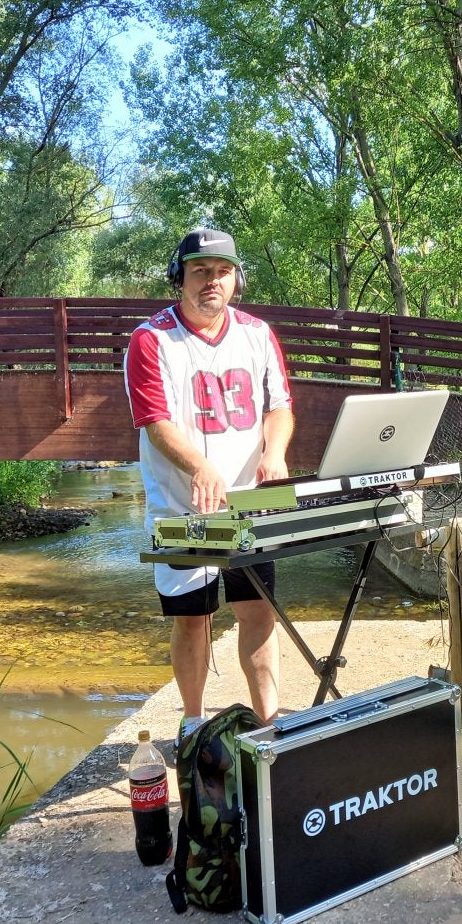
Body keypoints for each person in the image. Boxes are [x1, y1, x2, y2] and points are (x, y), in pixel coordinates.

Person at [124, 227, 294, 737]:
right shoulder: (150, 340)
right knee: (193, 619)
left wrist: (275, 452)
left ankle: (269, 723)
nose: (212, 282)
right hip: (182, 508)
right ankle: (194, 724)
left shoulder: (257, 334)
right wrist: (200, 466)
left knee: (257, 612)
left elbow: (279, 407)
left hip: (250, 505)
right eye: (200, 271)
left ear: (236, 278)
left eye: (222, 272)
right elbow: (156, 423)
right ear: (180, 277)